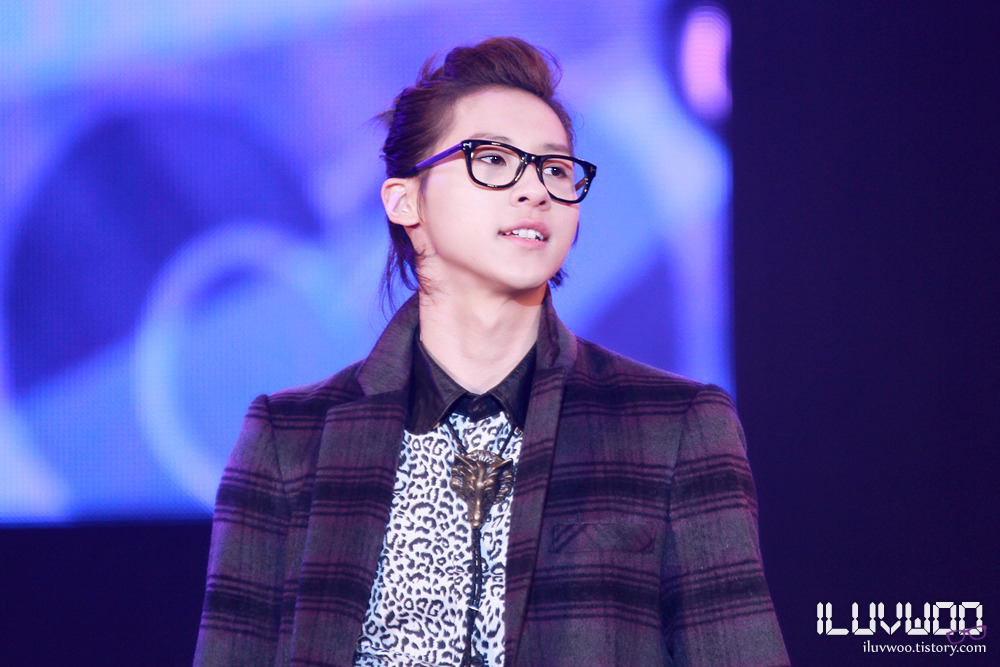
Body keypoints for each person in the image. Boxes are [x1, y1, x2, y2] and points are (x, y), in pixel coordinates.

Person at [194, 37, 788, 667]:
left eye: (555, 170)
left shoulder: (673, 427)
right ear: (405, 201)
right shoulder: (291, 440)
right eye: (494, 160)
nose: (535, 190)